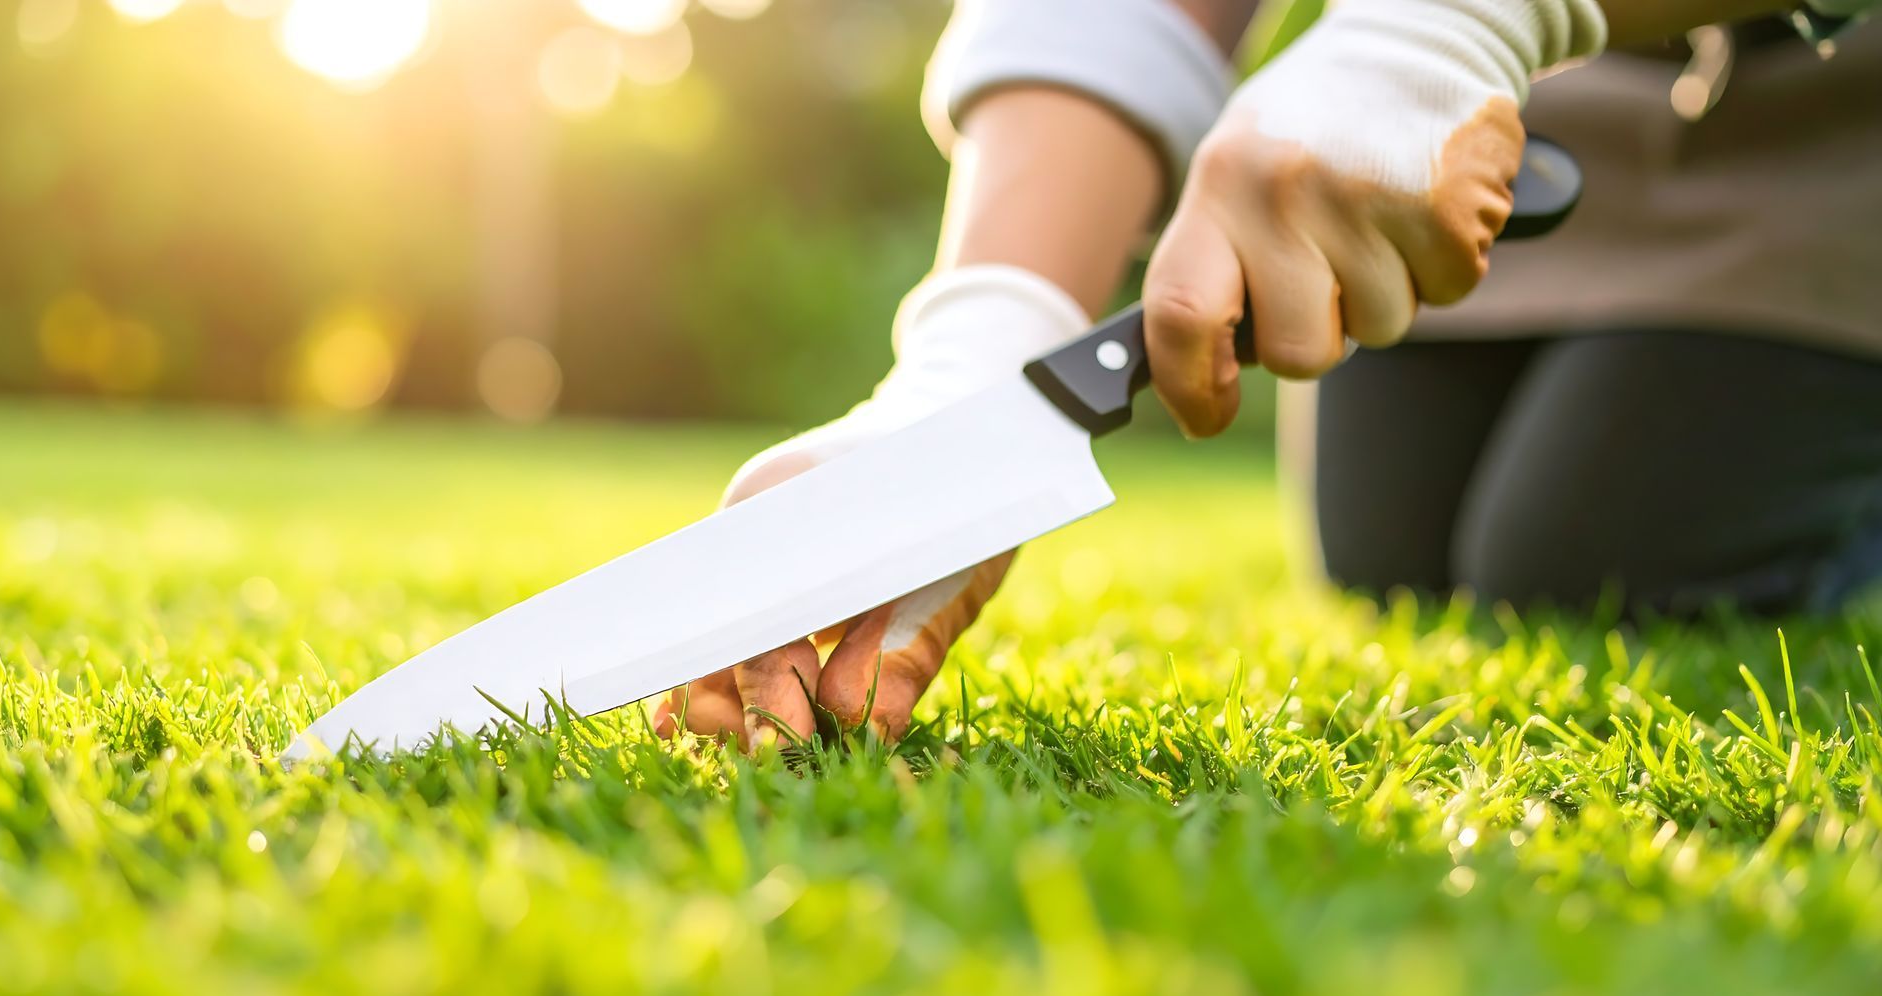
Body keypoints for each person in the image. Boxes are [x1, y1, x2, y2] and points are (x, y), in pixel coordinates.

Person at [654, 0, 1882, 749]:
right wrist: (975, 361)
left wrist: (1450, 19)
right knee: (1391, 551)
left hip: (1831, 115)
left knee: (1583, 562)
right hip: (1487, 131)